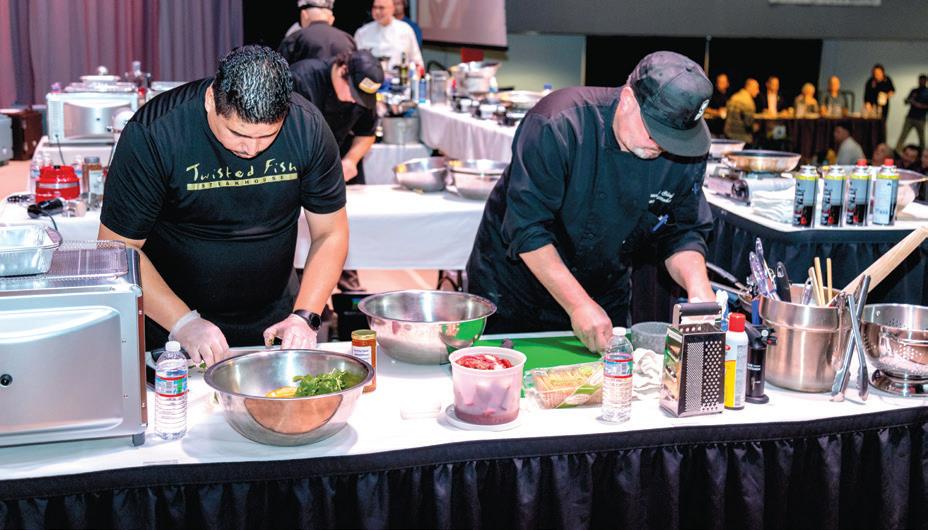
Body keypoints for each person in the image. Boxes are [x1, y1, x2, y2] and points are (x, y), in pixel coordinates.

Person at [99, 45, 349, 365]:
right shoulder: (155, 132)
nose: (251, 149)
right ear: (210, 100)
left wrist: (304, 315)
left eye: (267, 136)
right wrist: (183, 322)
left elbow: (330, 232)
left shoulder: (308, 128)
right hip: (172, 325)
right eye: (237, 133)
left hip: (273, 319)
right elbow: (117, 248)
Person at [466, 51, 716, 353]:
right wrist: (578, 304)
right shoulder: (558, 124)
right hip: (518, 292)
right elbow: (527, 228)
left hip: (604, 290)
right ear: (628, 99)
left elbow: (682, 232)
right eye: (656, 133)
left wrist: (699, 292)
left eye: (675, 139)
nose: (663, 147)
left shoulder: (684, 152)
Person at [291, 50, 384, 292]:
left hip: (334, 164)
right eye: (352, 93)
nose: (354, 100)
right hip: (297, 168)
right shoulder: (301, 78)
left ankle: (348, 286)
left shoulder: (363, 95)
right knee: (302, 237)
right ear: (343, 70)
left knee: (339, 229)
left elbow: (366, 133)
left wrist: (351, 160)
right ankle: (302, 294)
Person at [278, 0, 355, 64]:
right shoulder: (348, 39)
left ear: (304, 15)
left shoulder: (295, 38)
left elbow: (279, 72)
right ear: (331, 19)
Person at [354, 0, 422, 71]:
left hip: (399, 75)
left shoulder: (406, 30)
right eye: (375, 7)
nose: (377, 12)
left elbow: (417, 63)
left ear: (392, 9)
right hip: (370, 77)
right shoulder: (362, 32)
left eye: (381, 8)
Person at [895, 74, 928, 153]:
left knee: (921, 138)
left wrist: (918, 104)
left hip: (921, 118)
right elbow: (906, 101)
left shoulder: (927, 92)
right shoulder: (914, 91)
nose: (921, 82)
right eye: (920, 80)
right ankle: (897, 151)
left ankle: (923, 153)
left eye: (923, 80)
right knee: (903, 135)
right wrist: (909, 100)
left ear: (926, 81)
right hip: (910, 117)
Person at [724, 78, 759, 144]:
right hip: (742, 137)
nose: (758, 91)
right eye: (756, 88)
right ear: (749, 87)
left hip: (729, 135)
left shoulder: (734, 97)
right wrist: (756, 127)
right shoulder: (748, 102)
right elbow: (749, 123)